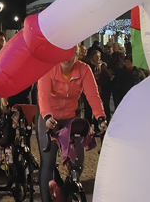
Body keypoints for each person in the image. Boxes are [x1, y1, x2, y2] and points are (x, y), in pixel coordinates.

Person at [36, 54, 107, 202]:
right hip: (49, 117)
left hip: (70, 116)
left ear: (76, 53)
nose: (66, 57)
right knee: (48, 161)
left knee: (78, 161)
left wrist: (100, 117)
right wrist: (47, 117)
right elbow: (43, 95)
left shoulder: (84, 69)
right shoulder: (49, 68)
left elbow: (93, 95)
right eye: (63, 52)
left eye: (71, 52)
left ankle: (66, 191)